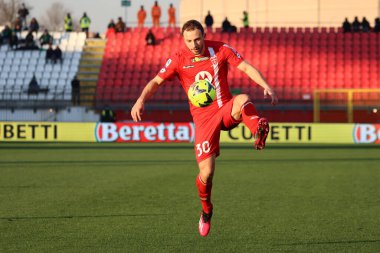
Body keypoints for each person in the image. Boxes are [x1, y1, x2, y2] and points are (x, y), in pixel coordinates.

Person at [130, 20, 277, 237]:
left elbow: (245, 66)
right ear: (183, 39)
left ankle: (258, 129)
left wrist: (265, 85)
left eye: (197, 38)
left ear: (204, 35)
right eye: (189, 40)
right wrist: (140, 99)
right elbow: (156, 81)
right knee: (206, 173)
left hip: (226, 109)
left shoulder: (221, 49)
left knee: (244, 98)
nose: (194, 44)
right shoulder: (179, 58)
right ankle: (206, 211)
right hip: (204, 121)